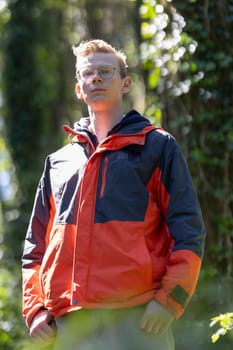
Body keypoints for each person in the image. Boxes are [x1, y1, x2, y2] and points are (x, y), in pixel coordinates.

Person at [22, 39, 205, 350]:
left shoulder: (157, 148)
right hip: (70, 324)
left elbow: (188, 233)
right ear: (78, 88)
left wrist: (169, 301)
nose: (96, 78)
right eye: (87, 74)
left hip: (138, 320)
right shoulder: (58, 163)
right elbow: (35, 248)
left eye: (106, 71)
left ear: (125, 83)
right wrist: (35, 310)